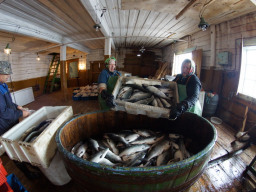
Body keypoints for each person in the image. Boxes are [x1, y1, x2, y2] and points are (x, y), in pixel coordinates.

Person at [0, 61, 30, 135]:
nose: (9, 76)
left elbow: (8, 102)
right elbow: (3, 112)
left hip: (10, 120)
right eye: (6, 74)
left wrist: (17, 106)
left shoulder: (3, 85)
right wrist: (21, 113)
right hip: (3, 125)